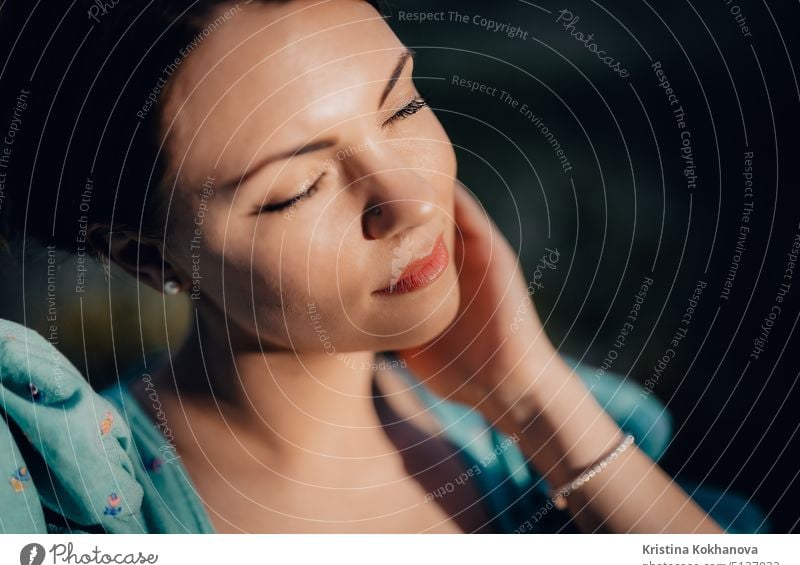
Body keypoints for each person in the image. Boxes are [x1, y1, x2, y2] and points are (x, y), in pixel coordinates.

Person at [0, 0, 767, 534]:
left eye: (402, 107)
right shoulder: (84, 514)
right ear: (144, 256)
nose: (409, 202)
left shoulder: (529, 436)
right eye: (296, 189)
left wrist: (533, 398)